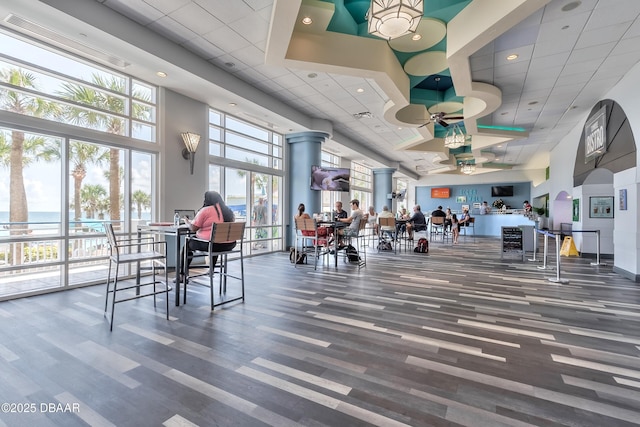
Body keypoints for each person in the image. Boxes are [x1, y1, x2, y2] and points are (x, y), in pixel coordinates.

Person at [179, 191, 236, 283]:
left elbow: (193, 228)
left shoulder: (206, 210)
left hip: (213, 245)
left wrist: (187, 222)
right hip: (229, 245)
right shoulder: (227, 211)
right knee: (216, 240)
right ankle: (211, 269)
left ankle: (182, 275)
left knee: (187, 245)